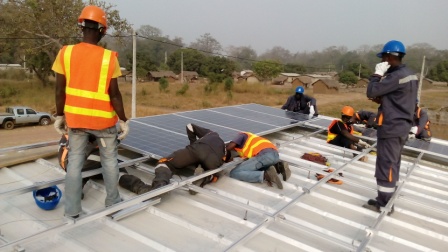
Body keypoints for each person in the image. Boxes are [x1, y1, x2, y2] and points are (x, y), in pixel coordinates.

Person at [52, 5, 130, 218]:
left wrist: (60, 115)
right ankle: (113, 204)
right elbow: (115, 94)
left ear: (82, 27)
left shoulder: (65, 53)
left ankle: (72, 211)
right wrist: (123, 119)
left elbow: (59, 89)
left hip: (76, 122)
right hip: (104, 124)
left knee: (74, 163)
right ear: (102, 31)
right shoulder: (109, 58)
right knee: (110, 163)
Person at [364, 40, 418, 214]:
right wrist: (385, 99)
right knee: (393, 164)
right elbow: (400, 98)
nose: (383, 62)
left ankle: (385, 204)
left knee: (386, 165)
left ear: (389, 57)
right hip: (401, 126)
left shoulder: (395, 76)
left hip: (391, 127)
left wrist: (376, 75)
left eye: (384, 58)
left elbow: (371, 91)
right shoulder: (409, 74)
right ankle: (385, 199)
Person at [119, 123, 229, 195]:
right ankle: (205, 178)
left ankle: (160, 185)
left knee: (165, 162)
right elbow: (221, 166)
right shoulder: (223, 151)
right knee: (213, 173)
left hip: (197, 149)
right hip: (214, 160)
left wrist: (192, 144)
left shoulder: (212, 134)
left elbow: (189, 126)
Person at [58, 134, 128, 199]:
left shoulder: (71, 130)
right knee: (105, 156)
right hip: (76, 164)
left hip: (65, 161)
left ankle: (134, 184)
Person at [226, 132, 290, 189]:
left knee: (234, 173)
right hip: (275, 156)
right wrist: (232, 159)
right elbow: (245, 158)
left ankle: (266, 175)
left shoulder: (241, 135)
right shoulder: (251, 139)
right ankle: (278, 166)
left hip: (264, 156)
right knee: (254, 167)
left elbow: (230, 146)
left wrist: (224, 151)